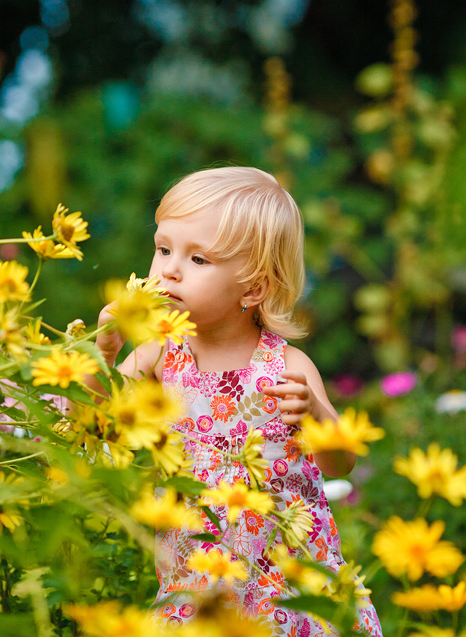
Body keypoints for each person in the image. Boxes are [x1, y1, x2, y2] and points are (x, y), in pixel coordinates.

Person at [94, 166, 383, 636]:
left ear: (253, 287)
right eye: (163, 249)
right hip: (197, 579)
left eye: (198, 260)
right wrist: (102, 355)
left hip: (287, 583)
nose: (167, 269)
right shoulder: (160, 356)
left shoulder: (287, 366)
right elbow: (95, 421)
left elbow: (341, 463)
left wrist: (315, 412)